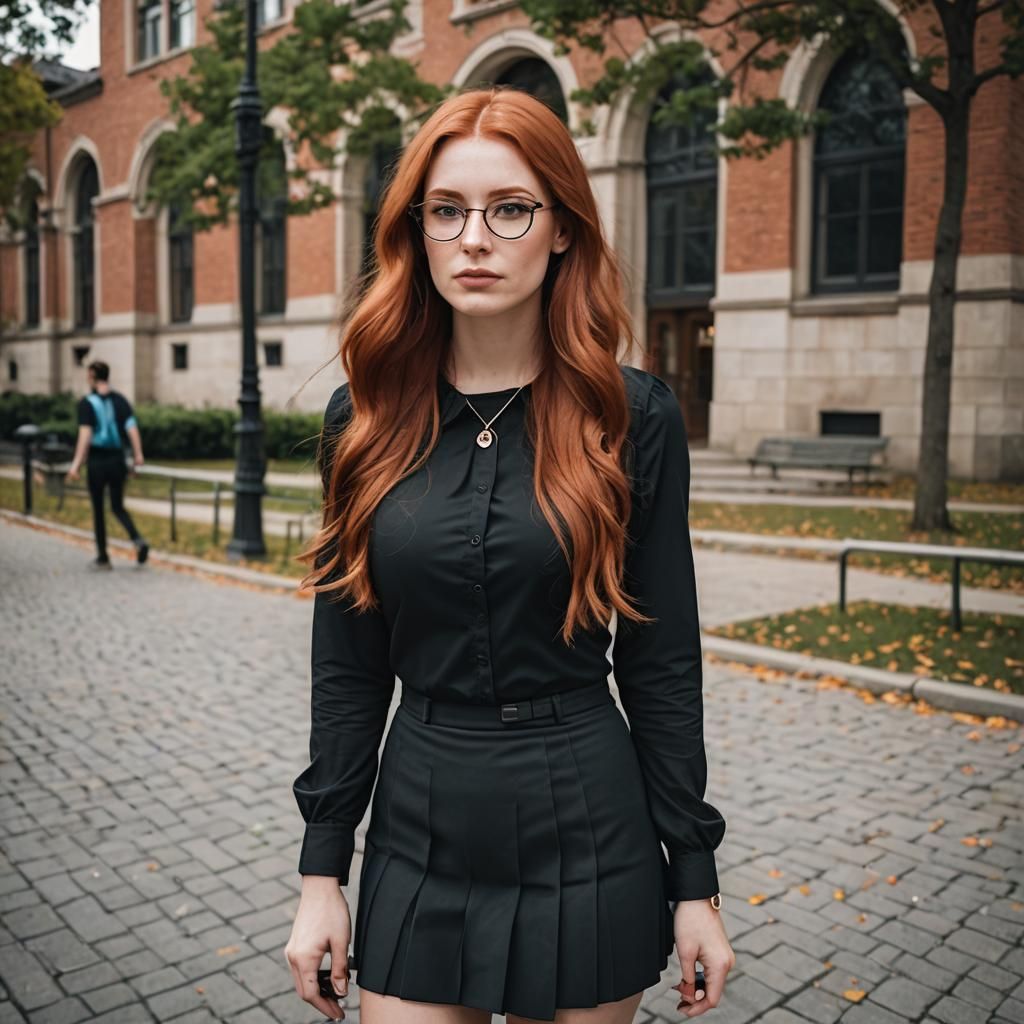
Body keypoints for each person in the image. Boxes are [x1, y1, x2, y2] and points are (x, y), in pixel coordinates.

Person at [285, 87, 734, 1024]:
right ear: (416, 231)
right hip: (420, 819)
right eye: (446, 211)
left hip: (588, 824)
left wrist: (694, 879)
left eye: (510, 209)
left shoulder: (632, 416)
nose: (475, 239)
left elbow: (661, 660)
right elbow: (349, 662)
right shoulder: (363, 419)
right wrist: (322, 872)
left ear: (563, 228)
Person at [66, 360, 149, 570]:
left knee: (98, 509)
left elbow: (85, 435)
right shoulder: (120, 400)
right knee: (117, 506)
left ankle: (103, 557)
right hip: (117, 459)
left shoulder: (87, 403)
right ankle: (138, 539)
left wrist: (76, 464)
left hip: (97, 461)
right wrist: (138, 454)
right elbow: (132, 428)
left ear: (92, 376)